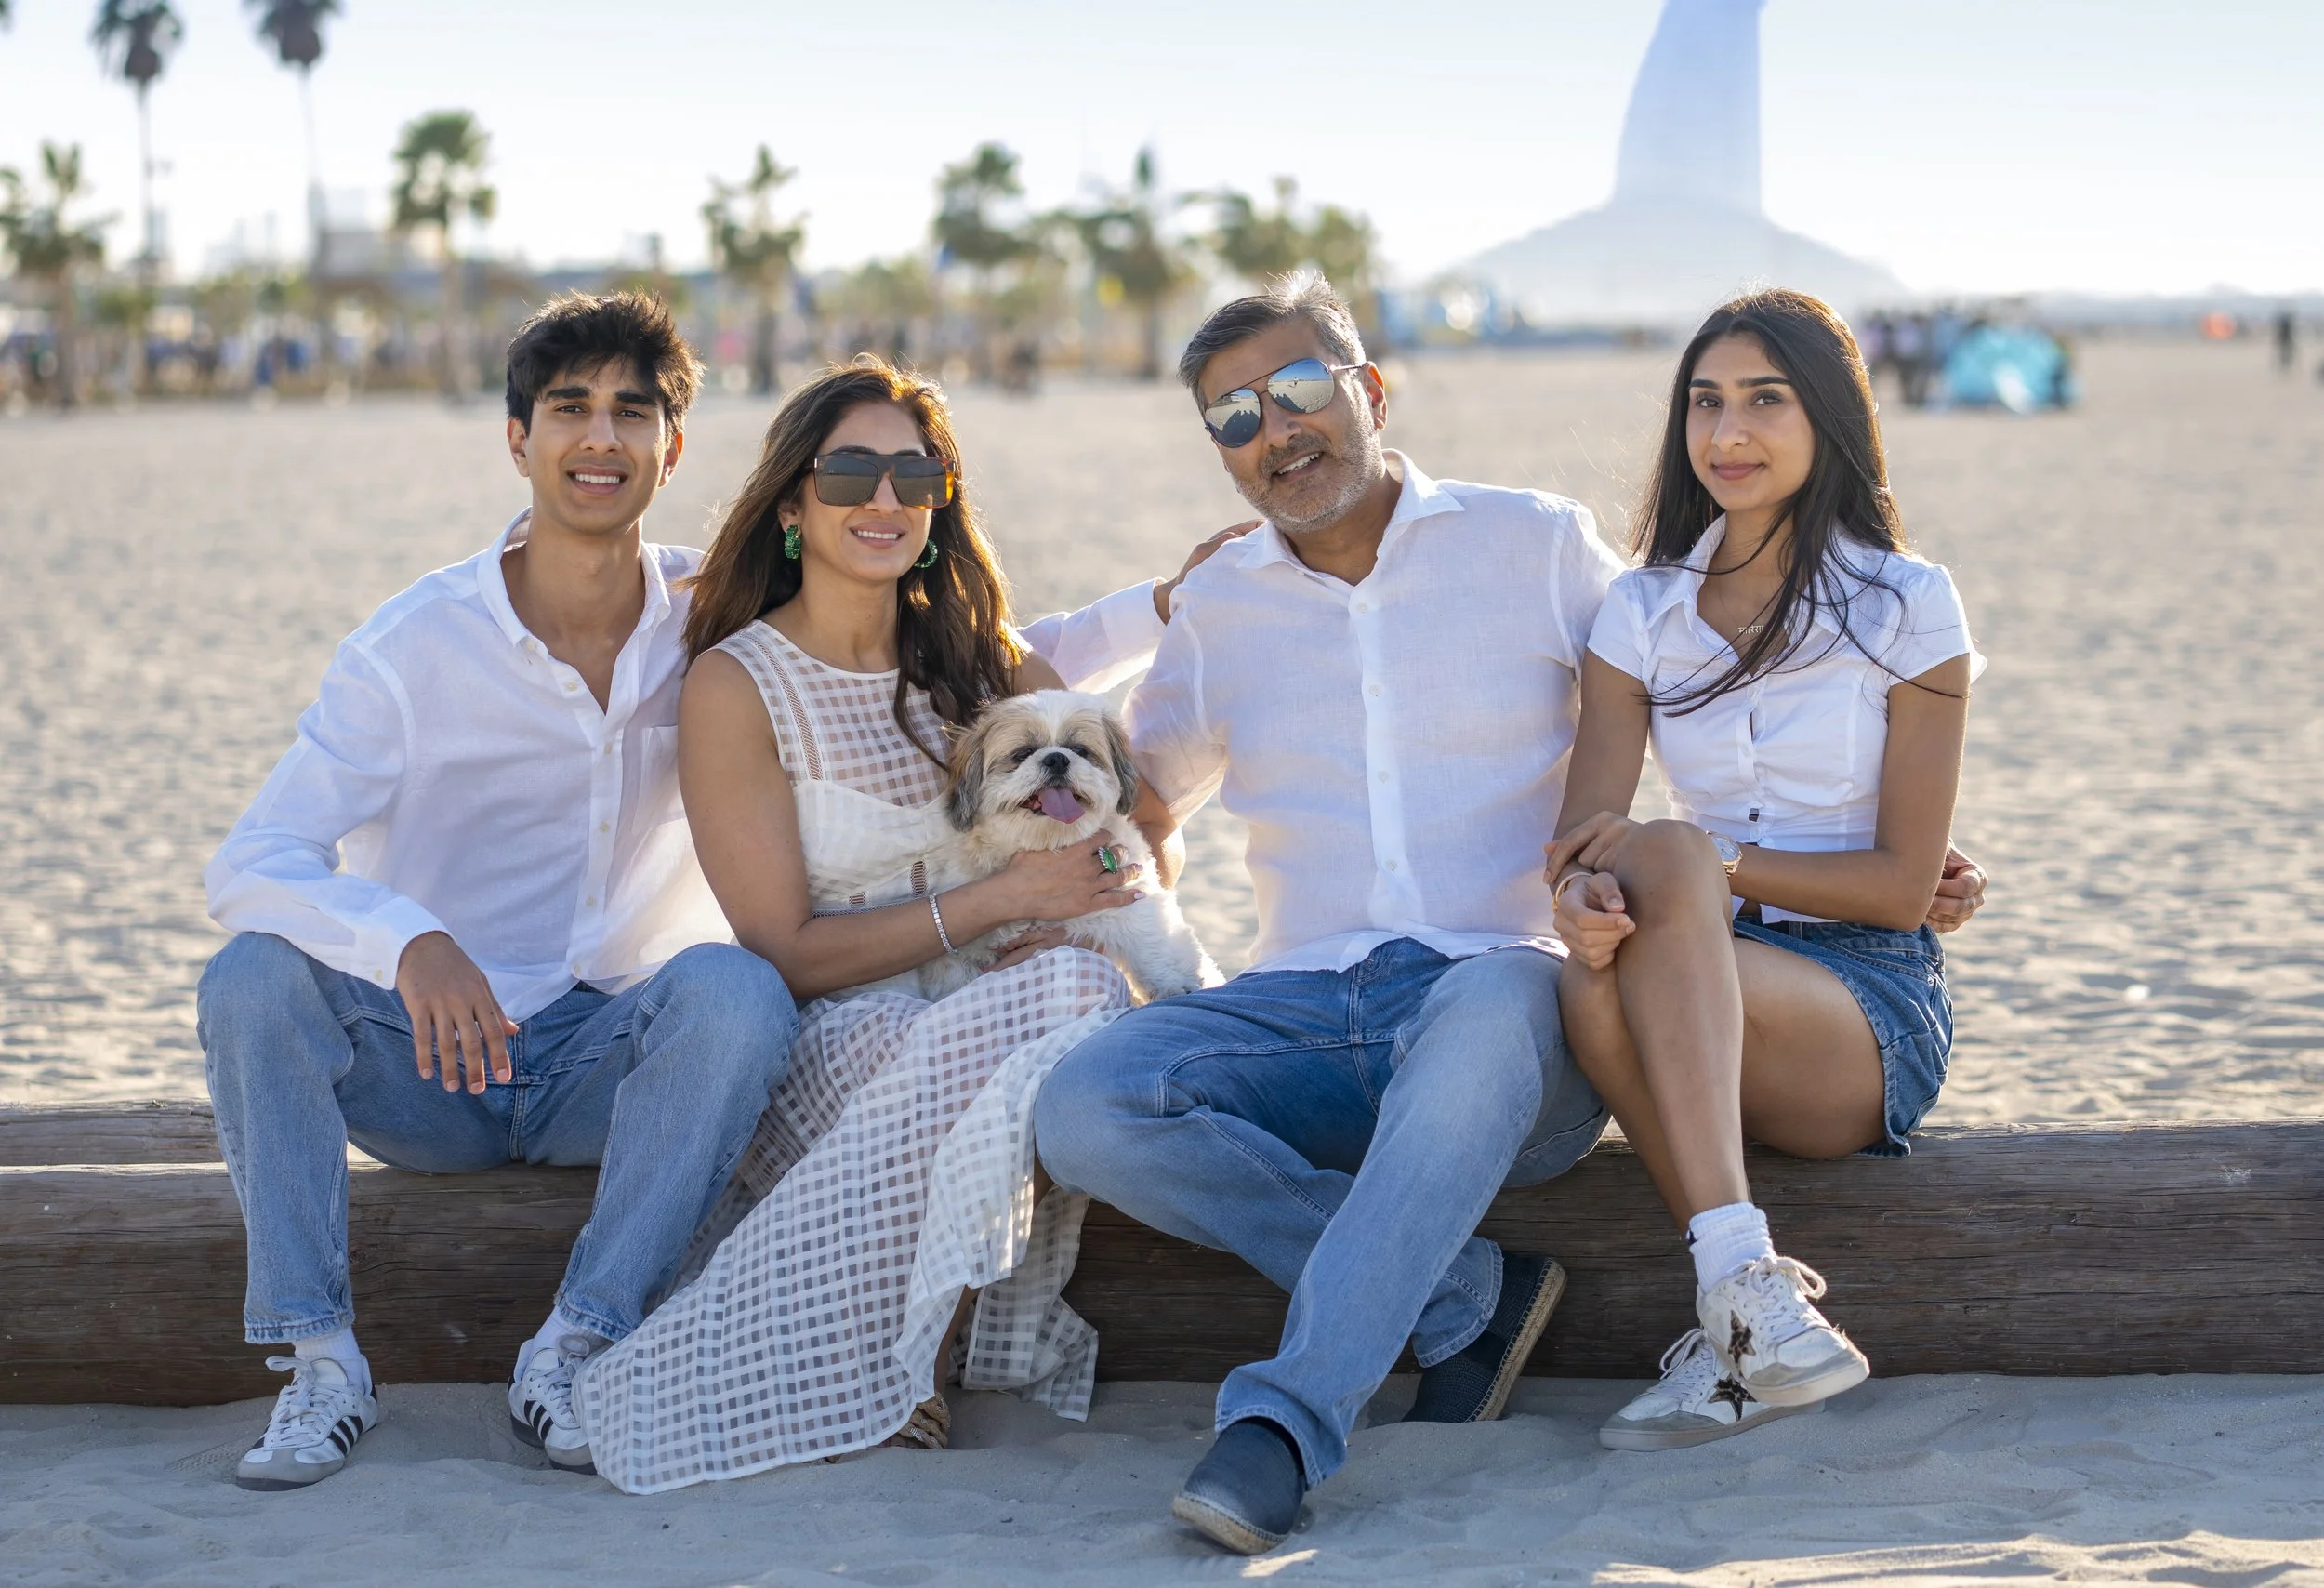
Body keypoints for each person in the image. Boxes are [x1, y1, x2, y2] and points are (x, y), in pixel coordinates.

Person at [198, 293, 801, 1489]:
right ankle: (321, 1362)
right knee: (252, 975)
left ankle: (579, 1344)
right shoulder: (412, 645)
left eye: (634, 413)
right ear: (517, 437)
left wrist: (1153, 608)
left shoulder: (715, 621)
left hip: (606, 1058)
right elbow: (251, 863)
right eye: (570, 408)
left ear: (671, 451)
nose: (601, 438)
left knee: (737, 992)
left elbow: (927, 644)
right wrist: (408, 940)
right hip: (428, 1064)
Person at [569, 359, 1195, 1492]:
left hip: (1004, 1013)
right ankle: (913, 1346)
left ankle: (911, 1342)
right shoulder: (736, 684)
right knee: (929, 1037)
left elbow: (1139, 831)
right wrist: (1008, 897)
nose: (886, 498)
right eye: (853, 470)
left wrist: (1080, 896)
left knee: (1076, 989)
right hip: (838, 1027)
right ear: (795, 504)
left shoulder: (992, 665)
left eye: (917, 474)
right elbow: (784, 950)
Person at [1546, 288, 1982, 1454]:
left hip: (1862, 1002)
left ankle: (1736, 1298)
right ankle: (1745, 1302)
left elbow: (1900, 887)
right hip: (1702, 973)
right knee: (1584, 972)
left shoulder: (1907, 605)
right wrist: (1585, 904)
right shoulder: (1638, 613)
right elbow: (1579, 841)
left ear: (1826, 416)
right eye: (1704, 403)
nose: (1726, 433)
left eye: (1763, 401)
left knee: (1675, 853)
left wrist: (1710, 867)